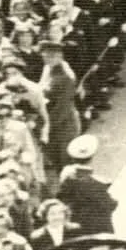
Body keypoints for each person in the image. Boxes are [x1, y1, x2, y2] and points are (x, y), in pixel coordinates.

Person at [56, 134, 116, 235]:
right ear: (91, 158)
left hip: (76, 225)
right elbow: (110, 204)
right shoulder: (97, 184)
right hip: (97, 227)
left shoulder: (67, 179)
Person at [37, 38, 81, 176]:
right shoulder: (48, 69)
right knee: (55, 158)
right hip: (52, 120)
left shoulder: (66, 77)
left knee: (66, 159)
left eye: (51, 56)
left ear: (59, 56)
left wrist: (48, 124)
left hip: (63, 122)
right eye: (45, 56)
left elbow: (63, 105)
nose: (47, 59)